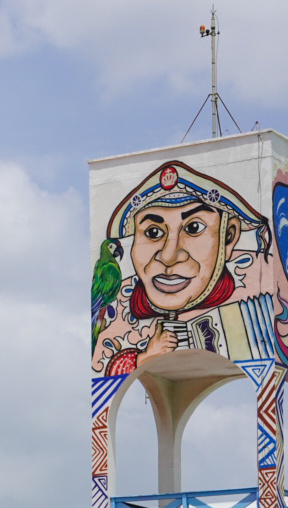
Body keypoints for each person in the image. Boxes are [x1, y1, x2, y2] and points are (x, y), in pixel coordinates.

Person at [92, 161, 266, 376]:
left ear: (229, 237)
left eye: (194, 228)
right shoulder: (116, 305)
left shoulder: (257, 277)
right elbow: (102, 376)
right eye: (153, 233)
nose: (168, 256)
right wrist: (143, 358)